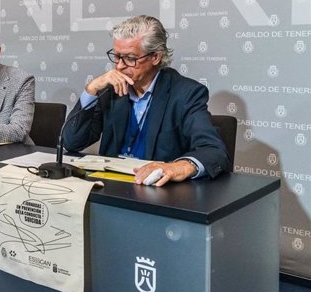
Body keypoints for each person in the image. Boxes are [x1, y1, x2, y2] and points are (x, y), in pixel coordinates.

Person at [62, 15, 230, 186]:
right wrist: (91, 90)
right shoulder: (110, 90)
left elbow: (214, 151)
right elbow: (72, 142)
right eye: (117, 56)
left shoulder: (185, 94)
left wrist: (176, 167)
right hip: (111, 188)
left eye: (130, 58)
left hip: (156, 193)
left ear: (155, 57)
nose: (119, 66)